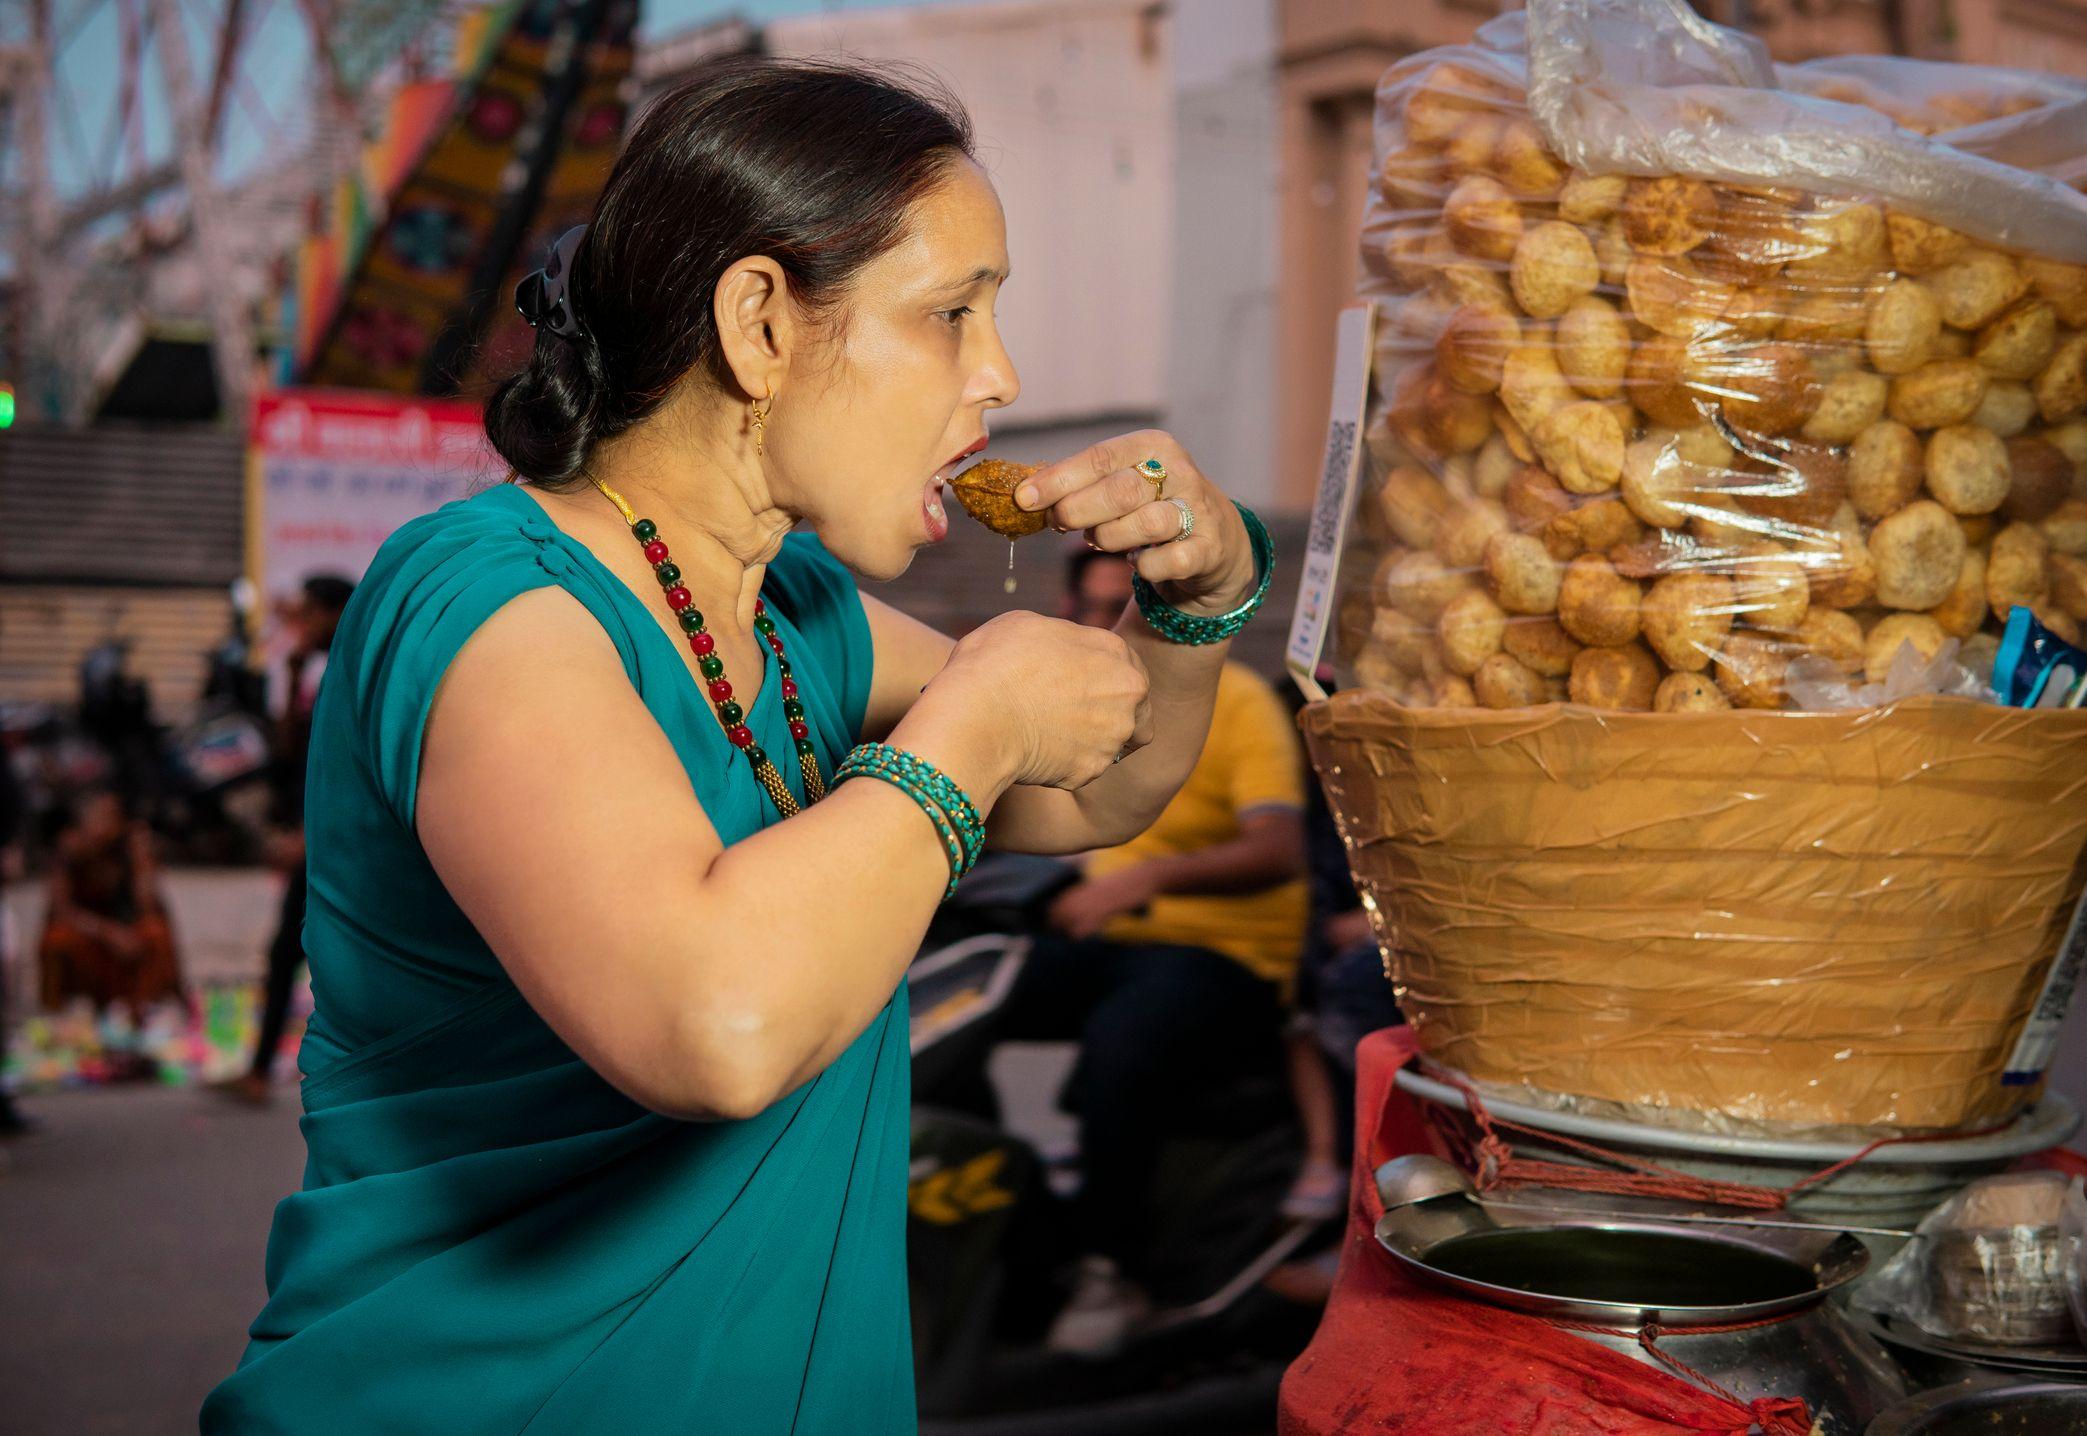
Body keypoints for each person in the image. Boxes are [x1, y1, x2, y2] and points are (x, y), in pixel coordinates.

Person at [202, 57, 1276, 1434]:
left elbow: (1098, 783)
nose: (998, 377)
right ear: (760, 324)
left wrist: (1196, 596)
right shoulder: (489, 601)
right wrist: (977, 717)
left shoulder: (797, 617)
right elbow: (714, 1025)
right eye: (950, 313)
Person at [977, 544, 1308, 1354]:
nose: (1110, 629)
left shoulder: (1236, 702)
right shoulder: (1078, 704)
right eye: (1094, 610)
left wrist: (1136, 882)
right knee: (952, 1005)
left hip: (1223, 953)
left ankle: (1107, 1268)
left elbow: (1279, 850)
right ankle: (997, 1216)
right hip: (1112, 939)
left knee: (1121, 1045)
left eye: (1129, 609)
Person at [215, 574, 354, 1106]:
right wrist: (293, 673)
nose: (302, 627)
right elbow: (289, 757)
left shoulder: (353, 668)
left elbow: (348, 765)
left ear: (334, 612)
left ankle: (270, 1070)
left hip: (333, 841)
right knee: (290, 952)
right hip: (317, 838)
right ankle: (264, 1068)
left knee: (311, 953)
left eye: (309, 614)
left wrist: (310, 837)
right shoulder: (318, 673)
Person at [36, 788, 181, 1059]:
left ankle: (142, 1017)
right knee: (58, 940)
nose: (104, 825)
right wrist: (106, 932)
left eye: (110, 818)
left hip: (126, 931)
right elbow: (62, 910)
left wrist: (142, 858)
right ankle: (59, 1019)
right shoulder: (70, 848)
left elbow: (147, 904)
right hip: (91, 932)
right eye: (98, 817)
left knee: (154, 933)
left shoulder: (127, 848)